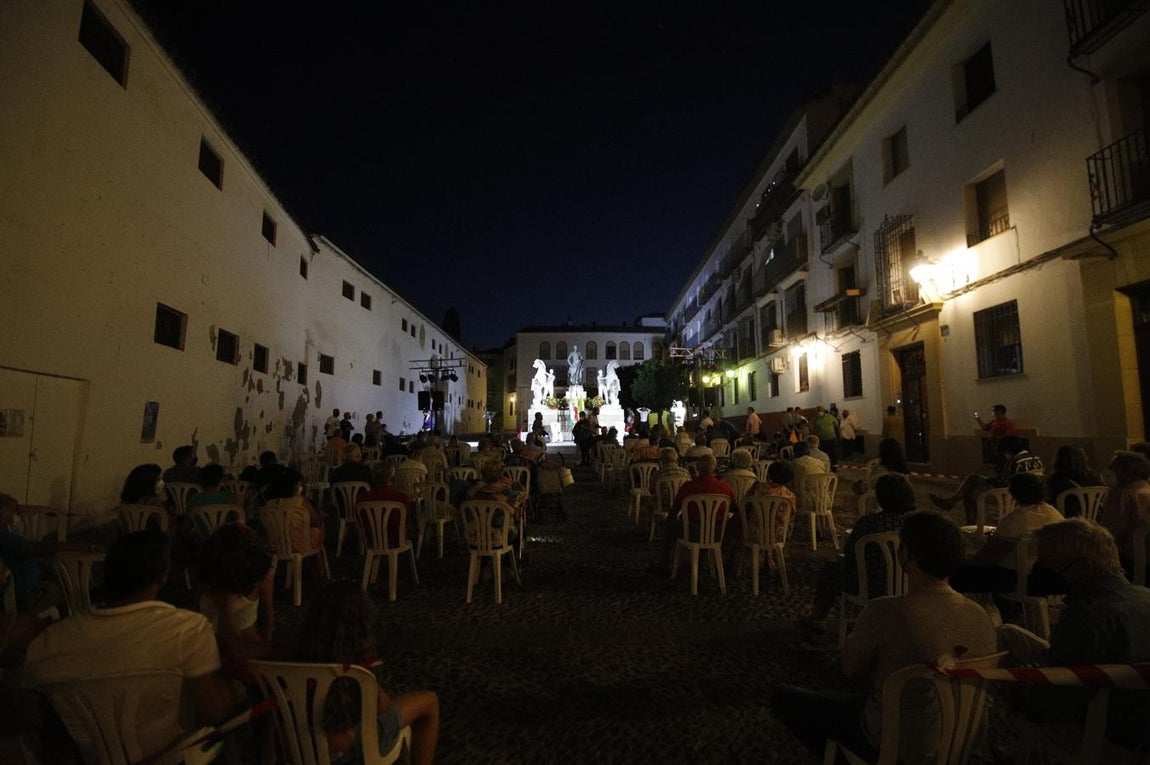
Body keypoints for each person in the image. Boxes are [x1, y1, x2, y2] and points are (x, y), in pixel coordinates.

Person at [771, 511, 996, 762]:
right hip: (962, 742)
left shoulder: (886, 611)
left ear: (907, 554)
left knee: (784, 697)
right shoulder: (981, 616)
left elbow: (851, 671)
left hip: (894, 741)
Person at [22, 531, 239, 760]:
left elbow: (29, 722)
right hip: (173, 757)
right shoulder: (187, 629)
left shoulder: (46, 645)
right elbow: (213, 712)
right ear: (162, 576)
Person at [1024, 518, 1150, 752]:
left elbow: (1054, 701)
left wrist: (1021, 689)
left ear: (1084, 568)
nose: (1038, 569)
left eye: (1047, 563)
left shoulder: (1085, 617)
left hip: (1109, 730)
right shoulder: (1144, 596)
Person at [288, 580, 439, 765]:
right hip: (351, 746)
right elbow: (381, 706)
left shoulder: (294, 657)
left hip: (299, 742)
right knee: (430, 701)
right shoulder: (357, 670)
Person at [798, 474, 919, 632]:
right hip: (912, 585)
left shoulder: (868, 523)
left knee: (832, 568)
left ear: (880, 498)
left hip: (869, 587)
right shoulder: (918, 524)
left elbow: (850, 554)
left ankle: (819, 616)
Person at [949, 472, 1063, 596]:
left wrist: (964, 562)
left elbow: (988, 557)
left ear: (1014, 493)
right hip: (1047, 576)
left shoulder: (1017, 519)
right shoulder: (1054, 513)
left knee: (957, 574)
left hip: (1019, 578)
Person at [197, 523, 274, 683]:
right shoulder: (216, 590)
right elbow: (228, 646)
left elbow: (268, 621)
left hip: (245, 645)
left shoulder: (261, 578)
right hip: (216, 653)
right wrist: (225, 610)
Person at [930, 435, 1044, 524]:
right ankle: (951, 502)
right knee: (972, 484)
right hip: (1029, 494)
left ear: (1007, 449)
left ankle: (965, 517)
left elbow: (1003, 483)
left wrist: (989, 480)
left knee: (971, 488)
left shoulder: (1015, 460)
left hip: (1010, 494)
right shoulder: (1036, 458)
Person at [658, 454, 734, 573]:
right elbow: (735, 508)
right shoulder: (724, 487)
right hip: (717, 532)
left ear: (698, 468)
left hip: (691, 531)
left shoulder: (689, 486)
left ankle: (664, 565)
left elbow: (674, 511)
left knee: (667, 527)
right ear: (714, 467)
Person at [1098, 450, 1150, 572]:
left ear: (1125, 472)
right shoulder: (1146, 489)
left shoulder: (1122, 495)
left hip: (1133, 561)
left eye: (1113, 468)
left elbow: (1108, 533)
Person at [1043, 445, 1104, 514]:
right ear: (1083, 458)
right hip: (1093, 516)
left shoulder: (1055, 480)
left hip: (1066, 518)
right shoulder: (1094, 477)